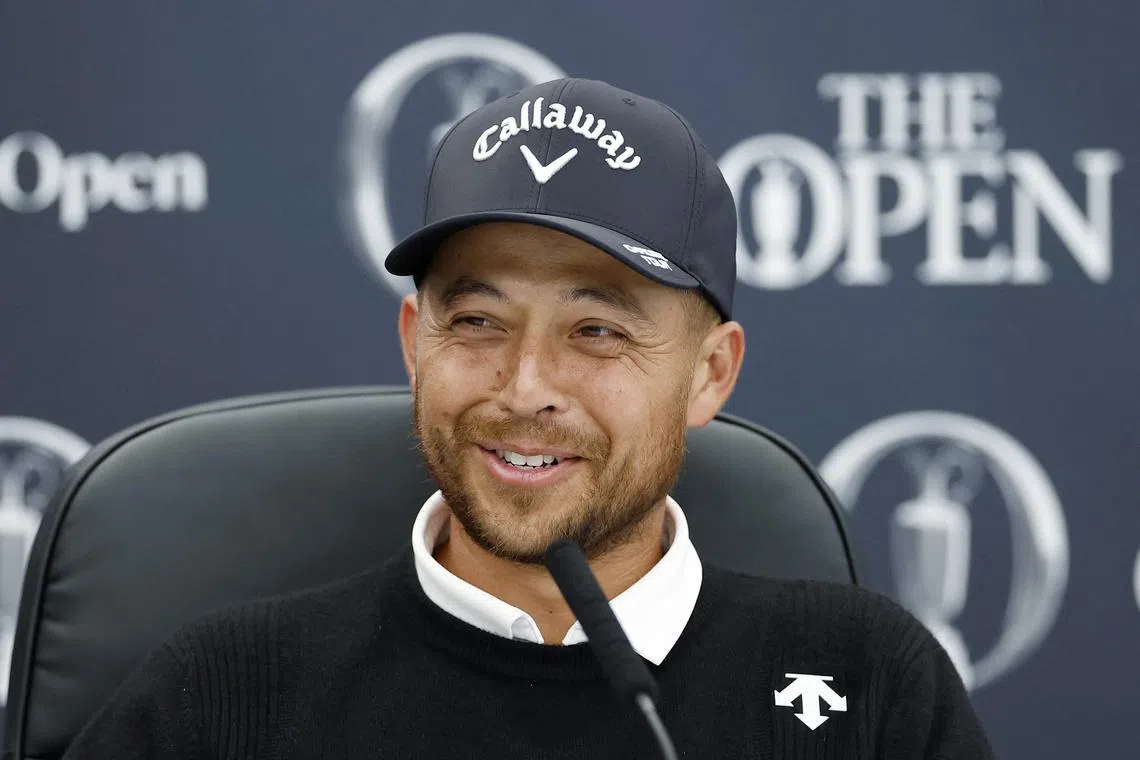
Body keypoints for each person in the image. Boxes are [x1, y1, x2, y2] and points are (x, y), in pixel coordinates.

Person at [63, 78, 994, 759]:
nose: (523, 387)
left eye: (596, 331)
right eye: (476, 322)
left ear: (711, 375)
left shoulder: (872, 683)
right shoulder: (219, 700)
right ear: (413, 343)